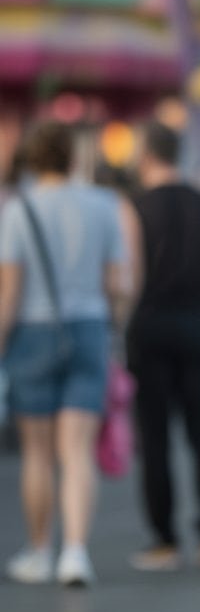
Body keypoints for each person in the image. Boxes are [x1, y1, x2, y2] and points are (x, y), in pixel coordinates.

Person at [0, 120, 127, 585]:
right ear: (72, 157)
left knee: (37, 453)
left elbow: (8, 293)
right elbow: (117, 283)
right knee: (77, 451)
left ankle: (38, 551)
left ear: (31, 160)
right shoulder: (103, 206)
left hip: (32, 332)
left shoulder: (18, 211)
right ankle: (76, 552)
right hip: (89, 329)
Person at [125, 120, 200, 571]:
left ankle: (164, 541)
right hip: (199, 324)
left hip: (150, 326)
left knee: (156, 436)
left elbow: (132, 277)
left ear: (147, 155)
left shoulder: (133, 207)